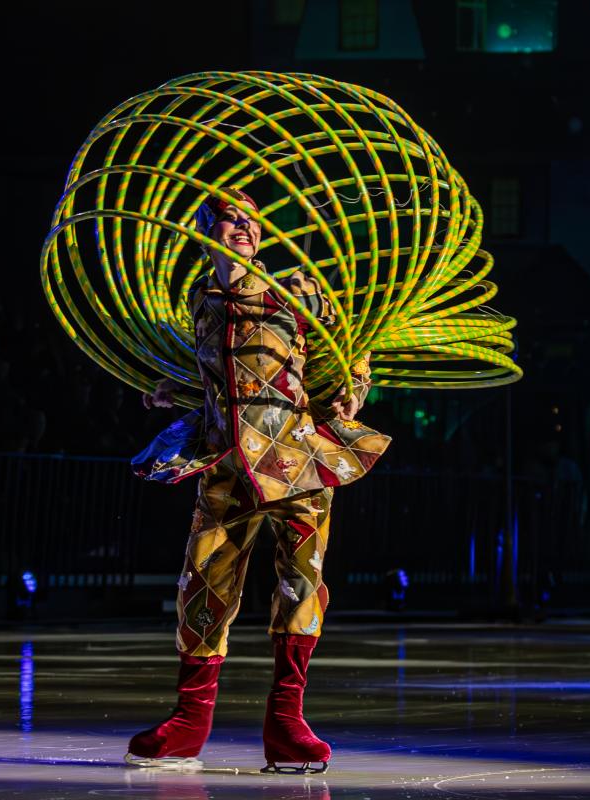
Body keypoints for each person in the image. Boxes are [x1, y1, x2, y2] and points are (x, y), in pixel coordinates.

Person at [126, 188, 390, 772]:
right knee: (202, 584)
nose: (243, 228)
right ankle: (188, 723)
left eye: (251, 221)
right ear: (205, 233)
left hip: (295, 461)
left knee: (302, 585)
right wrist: (174, 389)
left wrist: (354, 388)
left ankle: (287, 724)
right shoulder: (201, 301)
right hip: (226, 465)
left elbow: (352, 342)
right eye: (229, 220)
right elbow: (219, 374)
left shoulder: (296, 289)